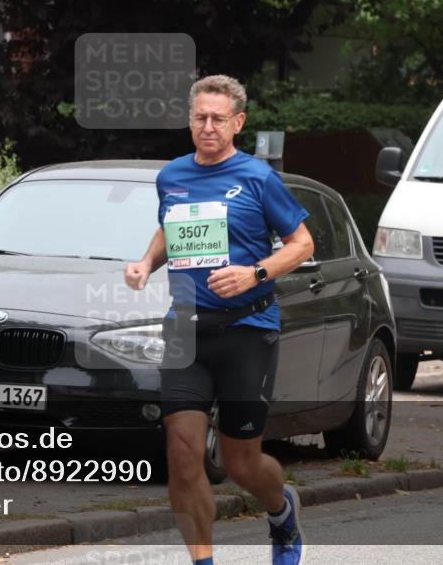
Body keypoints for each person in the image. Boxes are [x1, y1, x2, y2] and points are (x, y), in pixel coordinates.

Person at [124, 75, 314, 565]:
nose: (208, 127)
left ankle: (281, 510)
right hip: (186, 328)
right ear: (190, 121)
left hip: (247, 330)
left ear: (238, 123)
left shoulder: (257, 177)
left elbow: (302, 244)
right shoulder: (172, 176)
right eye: (200, 117)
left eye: (218, 119)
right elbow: (171, 227)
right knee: (183, 454)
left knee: (241, 462)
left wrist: (254, 273)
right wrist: (147, 262)